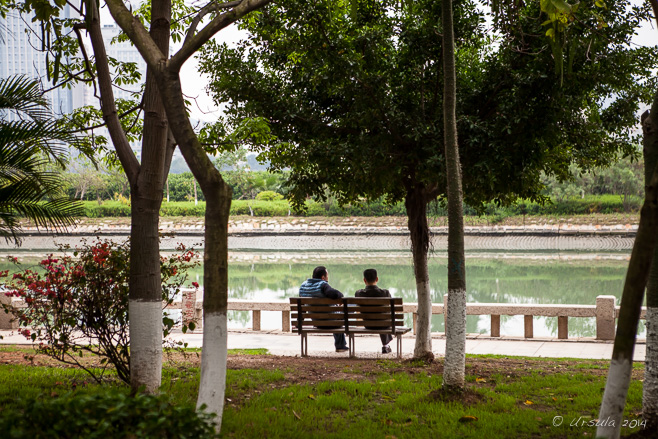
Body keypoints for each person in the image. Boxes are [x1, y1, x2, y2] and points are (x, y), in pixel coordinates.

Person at [299, 266, 349, 353]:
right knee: (340, 314)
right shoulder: (323, 285)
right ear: (323, 277)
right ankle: (340, 345)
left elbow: (302, 306)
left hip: (315, 321)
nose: (327, 277)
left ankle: (341, 345)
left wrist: (299, 322)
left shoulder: (303, 286)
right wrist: (341, 295)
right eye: (327, 275)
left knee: (336, 315)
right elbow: (333, 294)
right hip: (329, 321)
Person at [355, 268, 394, 354]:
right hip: (383, 324)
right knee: (383, 317)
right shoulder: (385, 293)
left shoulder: (359, 294)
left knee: (381, 318)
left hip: (368, 324)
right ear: (377, 279)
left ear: (364, 280)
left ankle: (386, 345)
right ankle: (385, 346)